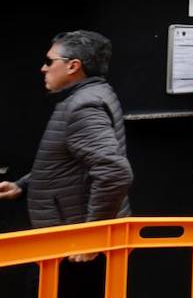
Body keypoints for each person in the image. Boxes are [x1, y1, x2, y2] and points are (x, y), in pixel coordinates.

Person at [0, 31, 131, 298]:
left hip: (71, 246)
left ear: (73, 66)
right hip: (70, 239)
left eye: (50, 61)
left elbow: (114, 172)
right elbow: (70, 164)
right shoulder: (94, 93)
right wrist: (22, 186)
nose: (43, 68)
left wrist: (91, 235)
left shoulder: (84, 105)